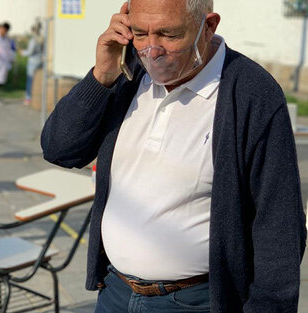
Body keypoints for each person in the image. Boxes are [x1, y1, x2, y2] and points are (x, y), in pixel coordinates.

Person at [41, 0, 307, 312]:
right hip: (114, 292)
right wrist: (101, 76)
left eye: (169, 35)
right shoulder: (128, 75)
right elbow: (59, 149)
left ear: (208, 26)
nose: (152, 50)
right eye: (140, 33)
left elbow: (279, 222)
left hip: (195, 302)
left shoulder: (251, 93)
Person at [21, 22, 44, 106]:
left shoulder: (33, 40)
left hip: (33, 62)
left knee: (30, 80)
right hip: (40, 60)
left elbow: (30, 52)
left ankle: (28, 97)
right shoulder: (42, 38)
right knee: (38, 80)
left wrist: (22, 52)